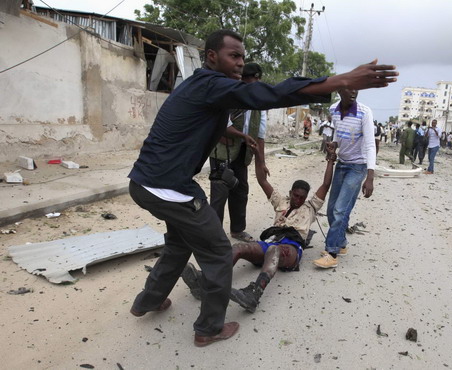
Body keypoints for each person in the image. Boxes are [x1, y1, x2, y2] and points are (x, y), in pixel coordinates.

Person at [127, 29, 398, 347]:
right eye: (234, 56)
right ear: (212, 57)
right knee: (216, 251)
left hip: (146, 183)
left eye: (243, 56)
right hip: (171, 188)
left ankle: (148, 300)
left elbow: (225, 117)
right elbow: (271, 95)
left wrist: (243, 138)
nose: (240, 63)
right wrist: (340, 80)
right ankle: (208, 328)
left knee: (177, 244)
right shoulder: (213, 84)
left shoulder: (204, 87)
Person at [182, 145, 337, 313]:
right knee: (239, 248)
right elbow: (262, 180)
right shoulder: (281, 201)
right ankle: (206, 282)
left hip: (291, 248)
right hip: (270, 241)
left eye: (302, 197)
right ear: (290, 192)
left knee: (274, 250)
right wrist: (258, 155)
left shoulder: (310, 207)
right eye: (296, 195)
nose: (298, 200)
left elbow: (326, 184)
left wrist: (330, 160)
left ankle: (254, 294)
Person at [313, 88, 376, 268]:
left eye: (357, 88)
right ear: (340, 90)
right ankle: (340, 244)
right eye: (349, 88)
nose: (354, 91)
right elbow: (338, 135)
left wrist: (370, 176)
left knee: (341, 209)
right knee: (332, 208)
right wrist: (334, 145)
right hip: (342, 163)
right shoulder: (334, 109)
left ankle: (331, 253)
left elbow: (371, 144)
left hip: (358, 167)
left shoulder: (364, 112)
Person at [209, 62, 266, 243]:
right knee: (219, 192)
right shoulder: (231, 96)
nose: (255, 83)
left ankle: (237, 230)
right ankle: (214, 235)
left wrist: (261, 162)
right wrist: (242, 135)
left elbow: (260, 135)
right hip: (222, 152)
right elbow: (222, 123)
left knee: (241, 190)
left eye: (258, 80)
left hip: (242, 152)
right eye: (251, 79)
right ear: (243, 79)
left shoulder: (259, 103)